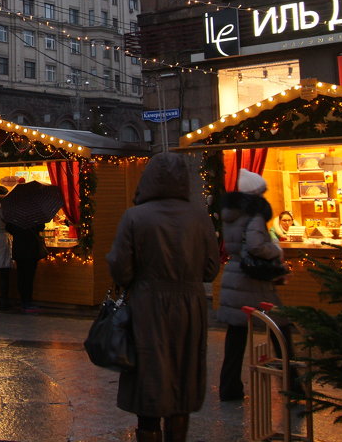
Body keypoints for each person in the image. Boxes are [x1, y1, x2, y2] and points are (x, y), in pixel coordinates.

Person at [107, 152, 221, 442]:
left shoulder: (135, 216)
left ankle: (148, 432)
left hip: (147, 306)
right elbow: (210, 269)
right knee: (183, 372)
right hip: (190, 306)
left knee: (148, 372)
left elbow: (121, 267)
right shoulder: (199, 216)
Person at [216, 168, 289, 403]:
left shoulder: (231, 214)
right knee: (280, 327)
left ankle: (229, 387)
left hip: (234, 275)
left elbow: (233, 244)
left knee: (236, 335)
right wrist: (276, 250)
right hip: (253, 280)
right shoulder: (254, 215)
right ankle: (292, 381)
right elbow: (257, 245)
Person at [7, 216, 48, 313]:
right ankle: (28, 301)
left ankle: (23, 301)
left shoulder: (15, 218)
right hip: (31, 250)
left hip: (19, 249)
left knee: (21, 276)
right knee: (29, 277)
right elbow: (41, 227)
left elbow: (8, 228)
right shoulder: (33, 217)